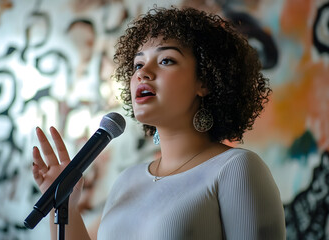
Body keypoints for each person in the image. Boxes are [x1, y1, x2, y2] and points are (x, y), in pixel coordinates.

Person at [32, 6, 286, 240]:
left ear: (205, 82)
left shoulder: (236, 169)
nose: (143, 72)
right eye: (138, 64)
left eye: (166, 60)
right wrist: (63, 204)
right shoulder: (126, 180)